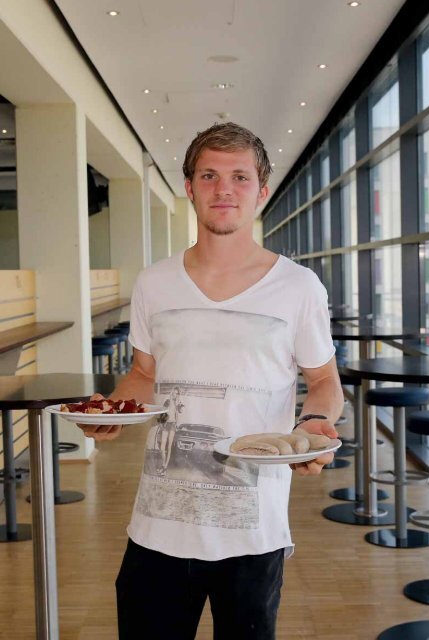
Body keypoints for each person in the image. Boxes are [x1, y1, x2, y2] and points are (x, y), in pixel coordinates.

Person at [78, 122, 344, 640]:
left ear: (261, 191)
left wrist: (313, 424)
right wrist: (111, 411)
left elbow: (324, 379)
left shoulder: (297, 286)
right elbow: (143, 373)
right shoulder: (154, 282)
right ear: (191, 187)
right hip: (159, 521)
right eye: (210, 175)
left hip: (253, 527)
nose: (225, 189)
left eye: (240, 177)